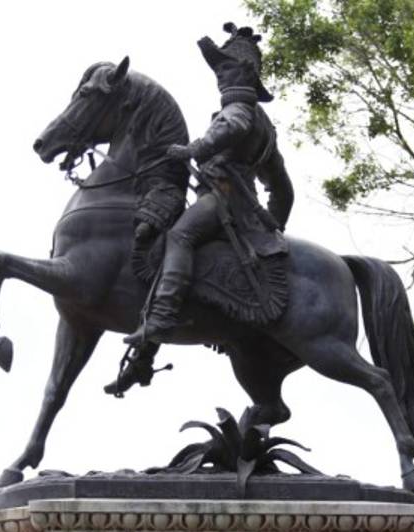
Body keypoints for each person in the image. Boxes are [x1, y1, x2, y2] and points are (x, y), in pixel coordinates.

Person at [107, 23, 294, 392]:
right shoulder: (266, 128)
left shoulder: (240, 110)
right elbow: (283, 189)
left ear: (245, 74)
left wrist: (193, 149)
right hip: (235, 207)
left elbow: (231, 129)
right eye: (218, 69)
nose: (220, 75)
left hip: (223, 201)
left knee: (178, 236)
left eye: (226, 68)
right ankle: (143, 358)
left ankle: (161, 318)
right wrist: (272, 227)